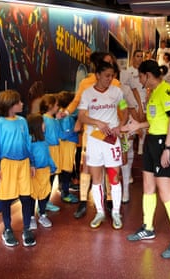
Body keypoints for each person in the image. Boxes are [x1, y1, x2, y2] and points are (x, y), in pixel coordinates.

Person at [123, 60, 170, 259]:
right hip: (152, 140)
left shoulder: (166, 90)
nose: (139, 80)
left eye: (140, 76)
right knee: (148, 187)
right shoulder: (153, 93)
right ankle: (148, 227)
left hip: (162, 144)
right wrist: (137, 126)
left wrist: (167, 148)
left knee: (166, 192)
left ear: (147, 75)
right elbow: (155, 120)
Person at [63, 52, 122, 219]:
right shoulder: (85, 84)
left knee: (111, 170)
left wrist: (120, 127)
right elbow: (77, 102)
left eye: (112, 63)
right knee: (87, 168)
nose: (110, 70)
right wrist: (67, 112)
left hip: (110, 135)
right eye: (106, 63)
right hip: (91, 135)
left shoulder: (115, 83)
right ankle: (83, 201)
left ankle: (110, 203)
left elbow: (119, 107)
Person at [78, 61, 128, 229]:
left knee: (114, 178)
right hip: (94, 140)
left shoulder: (117, 92)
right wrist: (96, 122)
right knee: (97, 179)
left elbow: (125, 110)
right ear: (97, 75)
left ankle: (116, 212)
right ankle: (99, 212)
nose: (110, 79)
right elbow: (82, 117)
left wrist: (120, 125)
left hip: (112, 141)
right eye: (107, 75)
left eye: (112, 76)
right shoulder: (87, 93)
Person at [0, 89, 36, 247]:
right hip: (7, 164)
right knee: (6, 198)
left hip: (24, 163)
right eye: (19, 102)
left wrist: (32, 163)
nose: (22, 104)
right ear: (11, 105)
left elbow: (28, 143)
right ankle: (7, 229)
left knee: (26, 197)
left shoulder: (23, 121)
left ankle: (26, 228)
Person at [120, 49, 147, 202]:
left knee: (127, 149)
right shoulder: (99, 91)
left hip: (125, 125)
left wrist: (136, 116)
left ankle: (125, 188)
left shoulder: (123, 91)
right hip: (108, 130)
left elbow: (129, 104)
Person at [27, 113, 57, 230]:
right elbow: (29, 156)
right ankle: (31, 217)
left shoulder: (44, 141)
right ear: (37, 126)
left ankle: (42, 214)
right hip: (34, 173)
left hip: (45, 172)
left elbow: (48, 155)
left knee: (44, 194)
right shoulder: (29, 141)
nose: (45, 125)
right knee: (33, 195)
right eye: (42, 123)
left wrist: (53, 165)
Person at [56, 91, 80, 204]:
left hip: (66, 146)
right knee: (66, 170)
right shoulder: (66, 118)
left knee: (64, 170)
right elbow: (64, 135)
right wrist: (75, 130)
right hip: (67, 147)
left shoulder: (62, 114)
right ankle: (65, 193)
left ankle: (64, 190)